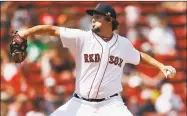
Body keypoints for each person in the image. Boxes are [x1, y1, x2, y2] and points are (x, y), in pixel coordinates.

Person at [14, 3, 176, 116]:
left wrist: (160, 65)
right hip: (81, 102)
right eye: (93, 16)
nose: (93, 19)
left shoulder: (122, 44)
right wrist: (25, 33)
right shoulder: (82, 37)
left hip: (111, 104)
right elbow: (51, 30)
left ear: (108, 20)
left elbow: (140, 56)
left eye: (97, 17)